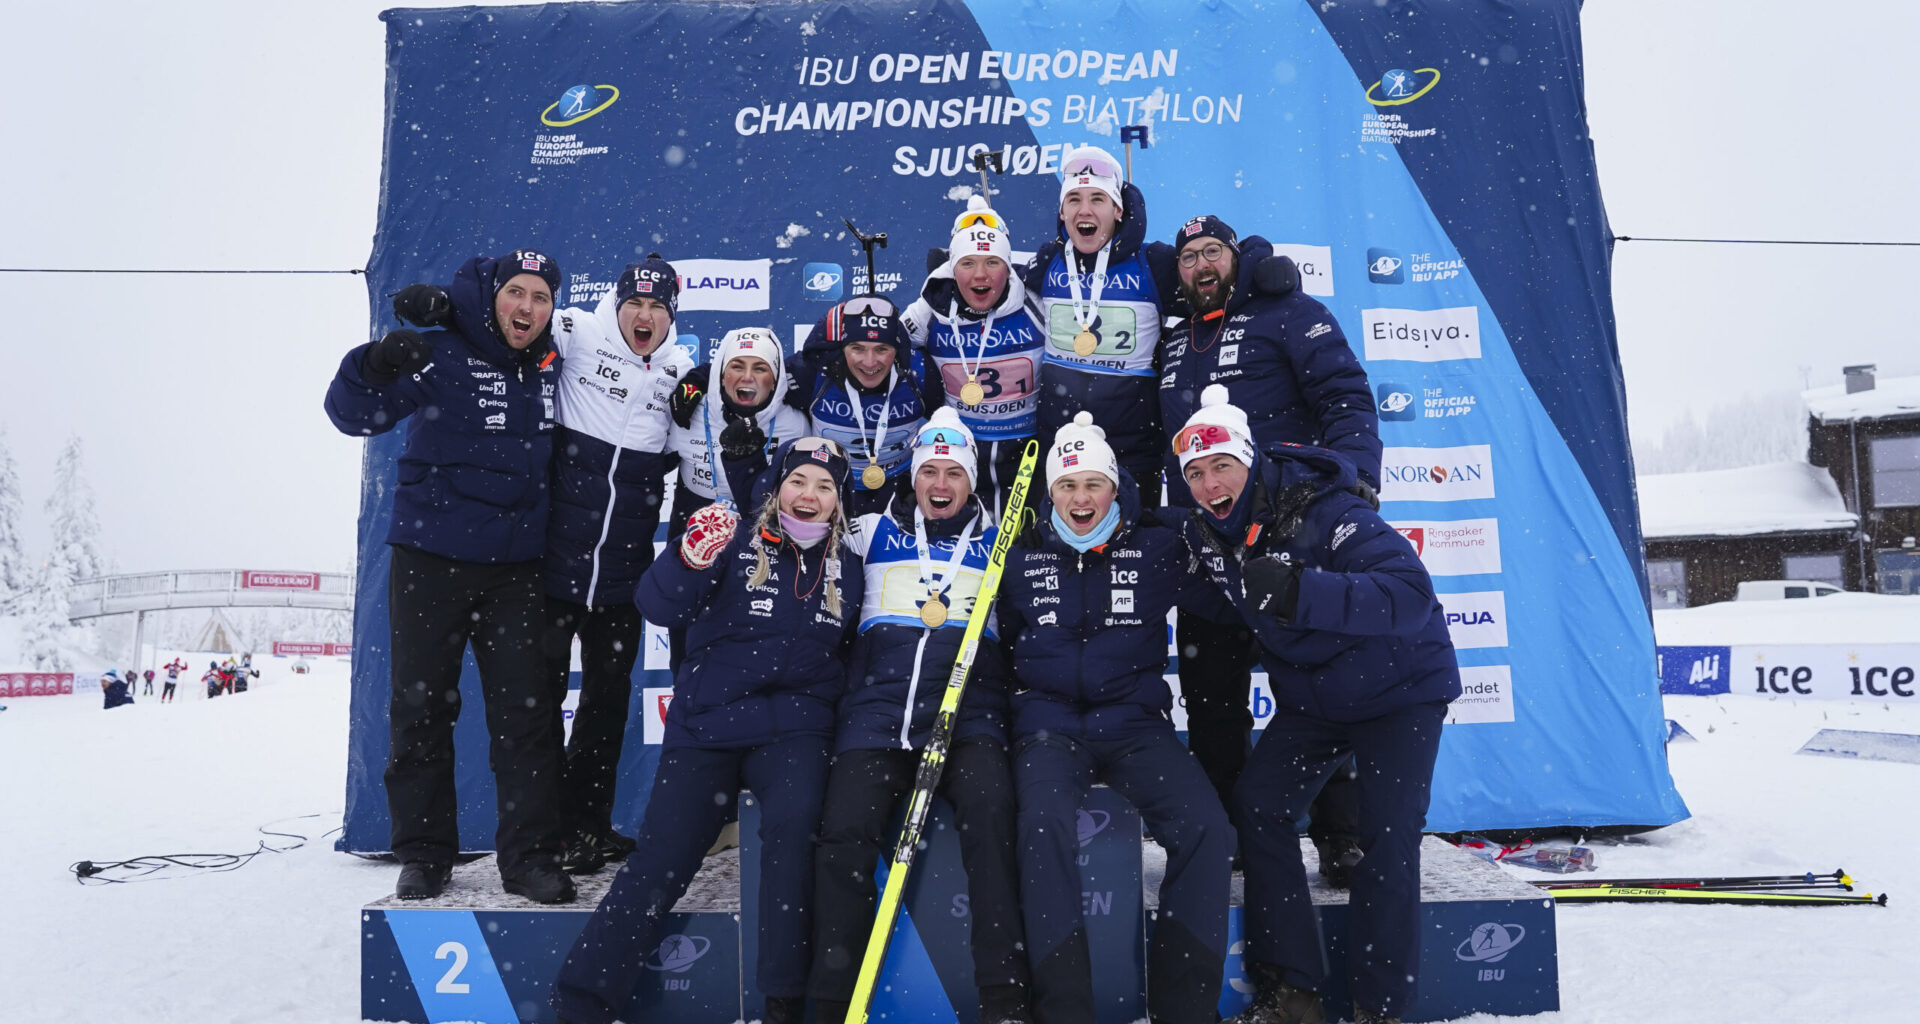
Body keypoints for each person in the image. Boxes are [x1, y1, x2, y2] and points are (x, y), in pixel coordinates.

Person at [551, 437, 862, 1024]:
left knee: (794, 841)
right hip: (709, 723)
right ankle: (580, 1005)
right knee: (660, 860)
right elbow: (656, 604)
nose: (809, 496)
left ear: (838, 500)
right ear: (778, 486)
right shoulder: (732, 537)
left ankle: (782, 1003)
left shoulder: (849, 563)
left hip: (795, 731)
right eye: (799, 482)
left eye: (824, 487)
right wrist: (684, 560)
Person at [1174, 387, 1459, 1024]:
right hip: (1318, 699)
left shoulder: (1327, 510)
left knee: (1388, 837)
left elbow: (1410, 595)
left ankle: (1380, 1007)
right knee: (1259, 808)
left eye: (1222, 466)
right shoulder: (1211, 533)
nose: (1210, 482)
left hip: (1400, 689)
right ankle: (1294, 991)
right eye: (1195, 473)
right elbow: (1225, 598)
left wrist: (1305, 590)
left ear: (1250, 463)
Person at [324, 247, 574, 905]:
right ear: (492, 295)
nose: (527, 308)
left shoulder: (554, 362)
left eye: (541, 298)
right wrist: (374, 363)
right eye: (516, 293)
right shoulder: (436, 353)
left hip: (518, 569)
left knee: (528, 719)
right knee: (420, 709)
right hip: (430, 562)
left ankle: (529, 858)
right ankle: (425, 856)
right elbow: (352, 414)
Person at [1158, 215, 1381, 883]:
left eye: (1211, 252)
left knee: (1319, 690)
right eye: (1189, 256)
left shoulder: (1288, 312)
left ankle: (1342, 835)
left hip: (1290, 537)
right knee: (1211, 701)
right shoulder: (1171, 341)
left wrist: (1352, 478)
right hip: (1206, 548)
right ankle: (1228, 834)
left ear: (1237, 257)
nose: (1200, 265)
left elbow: (1344, 396)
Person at [998, 411, 1235, 1024]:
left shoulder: (1157, 544)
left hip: (1133, 723)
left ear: (1115, 488)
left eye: (1093, 484)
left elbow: (1228, 595)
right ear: (1050, 492)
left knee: (1207, 828)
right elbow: (1000, 646)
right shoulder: (1019, 552)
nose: (1081, 499)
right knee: (1041, 828)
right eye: (1067, 486)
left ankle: (1186, 1010)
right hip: (1046, 725)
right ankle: (1066, 1010)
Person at [809, 407, 1031, 1024]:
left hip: (968, 720)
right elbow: (798, 537)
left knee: (992, 822)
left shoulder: (1001, 542)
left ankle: (1006, 1002)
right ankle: (830, 1003)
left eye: (953, 473)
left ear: (970, 479)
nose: (940, 483)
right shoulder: (870, 532)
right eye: (929, 470)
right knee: (842, 839)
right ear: (913, 476)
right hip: (876, 719)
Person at [533, 256, 692, 875]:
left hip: (623, 574)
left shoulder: (676, 371)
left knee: (604, 708)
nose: (644, 316)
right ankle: (542, 838)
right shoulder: (577, 331)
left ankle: (590, 829)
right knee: (537, 709)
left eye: (657, 307)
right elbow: (514, 323)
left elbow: (693, 447)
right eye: (635, 304)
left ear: (671, 316)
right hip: (553, 568)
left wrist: (701, 398)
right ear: (617, 305)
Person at [1023, 146, 1177, 506]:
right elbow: (991, 288)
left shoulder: (1154, 262)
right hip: (1059, 446)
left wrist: (1255, 264)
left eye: (1098, 198)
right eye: (1074, 199)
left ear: (1118, 210)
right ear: (1062, 211)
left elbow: (1213, 277)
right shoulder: (1048, 261)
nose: (1085, 210)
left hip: (1133, 453)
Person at [901, 196, 1046, 517]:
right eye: (968, 264)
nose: (980, 275)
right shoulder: (932, 302)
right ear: (953, 269)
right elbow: (888, 345)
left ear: (1008, 267)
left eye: (992, 263)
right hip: (962, 450)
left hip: (1027, 448)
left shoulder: (1034, 299)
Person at [791, 294, 929, 517]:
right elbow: (758, 385)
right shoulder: (813, 371)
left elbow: (951, 417)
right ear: (841, 348)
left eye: (882, 349)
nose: (870, 362)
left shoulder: (920, 372)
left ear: (897, 350)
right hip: (831, 490)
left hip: (899, 491)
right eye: (857, 348)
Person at [667, 327, 811, 537]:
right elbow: (649, 467)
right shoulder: (693, 409)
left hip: (761, 531)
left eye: (760, 368)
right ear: (722, 376)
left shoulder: (795, 424)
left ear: (774, 382)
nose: (747, 377)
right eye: (737, 366)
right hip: (693, 524)